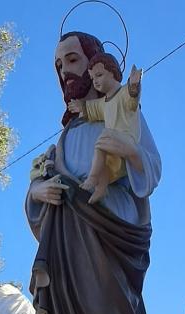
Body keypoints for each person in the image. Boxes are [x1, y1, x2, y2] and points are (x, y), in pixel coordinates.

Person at [26, 31, 162, 314]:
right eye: (58, 66)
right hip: (68, 250)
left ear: (96, 64)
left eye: (71, 60)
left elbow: (151, 169)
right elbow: (40, 185)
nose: (64, 72)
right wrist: (38, 192)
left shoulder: (123, 111)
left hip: (111, 243)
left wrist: (129, 150)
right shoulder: (64, 137)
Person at [67, 53, 142, 204]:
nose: (95, 81)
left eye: (99, 75)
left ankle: (92, 178)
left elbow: (132, 99)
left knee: (102, 138)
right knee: (103, 164)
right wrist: (80, 106)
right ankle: (101, 188)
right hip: (113, 149)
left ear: (113, 72)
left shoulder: (123, 93)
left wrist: (133, 85)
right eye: (93, 78)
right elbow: (91, 109)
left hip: (126, 141)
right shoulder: (104, 103)